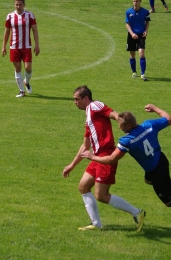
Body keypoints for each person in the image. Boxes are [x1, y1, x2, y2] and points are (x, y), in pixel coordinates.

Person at [63, 86, 145, 232]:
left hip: (106, 156)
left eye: (77, 99)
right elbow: (85, 146)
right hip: (96, 157)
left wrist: (122, 122)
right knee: (83, 186)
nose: (74, 102)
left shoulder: (95, 105)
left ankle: (137, 212)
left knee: (101, 195)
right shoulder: (89, 117)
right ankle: (96, 224)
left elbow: (111, 113)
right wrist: (72, 165)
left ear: (86, 98)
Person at [82, 104, 171, 209]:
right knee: (148, 180)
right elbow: (170, 119)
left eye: (120, 125)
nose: (119, 127)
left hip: (156, 171)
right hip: (162, 160)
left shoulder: (127, 141)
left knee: (169, 201)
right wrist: (155, 108)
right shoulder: (149, 124)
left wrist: (92, 157)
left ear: (128, 126)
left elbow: (111, 159)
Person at [2, 0, 40, 98]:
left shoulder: (30, 15)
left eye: (20, 4)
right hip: (14, 47)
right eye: (16, 4)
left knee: (28, 68)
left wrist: (37, 45)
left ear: (24, 5)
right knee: (17, 68)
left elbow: (35, 30)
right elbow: (6, 32)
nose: (18, 6)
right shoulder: (9, 16)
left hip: (26, 47)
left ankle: (26, 82)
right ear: (14, 5)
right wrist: (4, 46)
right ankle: (21, 91)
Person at [126, 0, 150, 81]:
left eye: (137, 1)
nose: (135, 2)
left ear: (140, 2)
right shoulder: (128, 12)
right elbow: (127, 23)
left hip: (141, 35)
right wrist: (132, 33)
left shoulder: (145, 12)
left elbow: (147, 22)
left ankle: (143, 74)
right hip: (131, 35)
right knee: (132, 54)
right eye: (134, 1)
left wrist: (146, 31)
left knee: (141, 53)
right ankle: (134, 72)